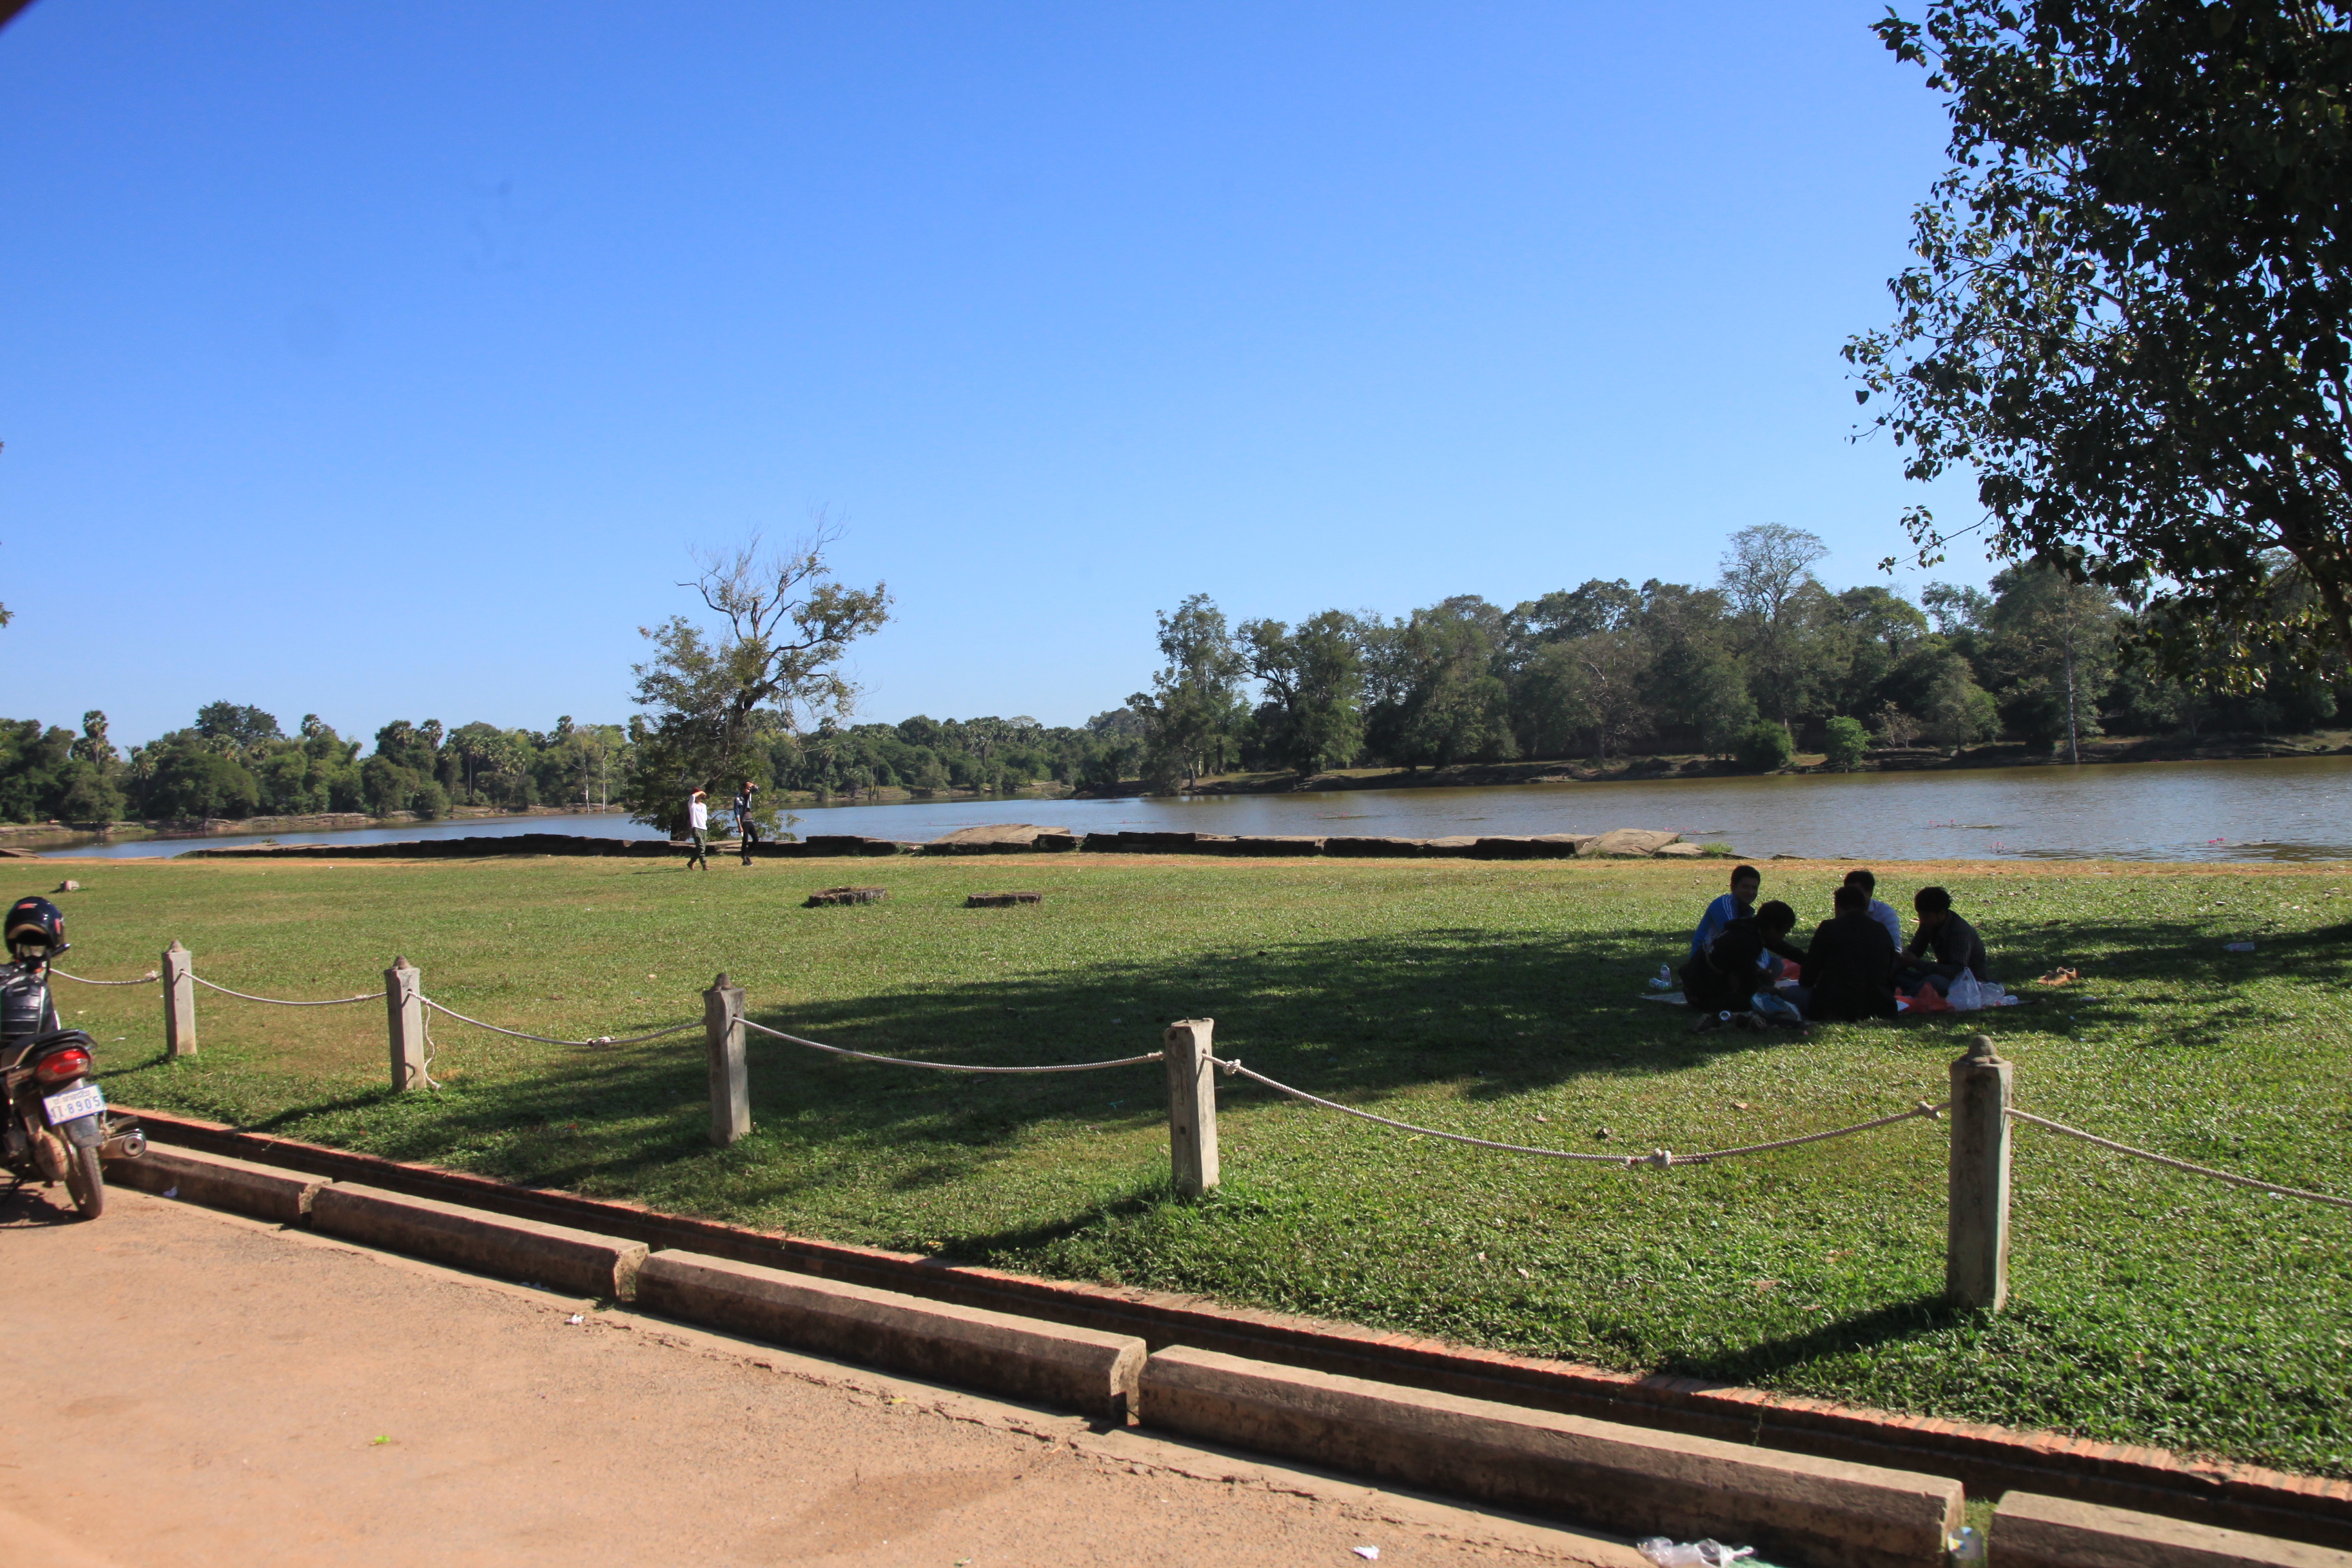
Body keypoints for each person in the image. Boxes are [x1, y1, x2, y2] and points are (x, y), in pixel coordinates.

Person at [1682, 899, 1804, 1025]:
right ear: (1772, 928)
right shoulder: (1746, 940)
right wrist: (1774, 990)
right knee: (1766, 1002)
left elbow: (1786, 950)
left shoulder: (1749, 928)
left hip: (1696, 987)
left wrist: (1811, 962)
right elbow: (1749, 988)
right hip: (1702, 996)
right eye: (1784, 932)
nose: (1783, 937)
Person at [1793, 883, 1900, 1022]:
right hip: (1880, 1006)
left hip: (1836, 1007)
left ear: (1838, 908)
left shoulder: (1828, 928)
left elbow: (1807, 978)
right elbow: (1888, 972)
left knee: (1793, 994)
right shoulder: (1881, 930)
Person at [1902, 885, 1993, 995]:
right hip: (1944, 977)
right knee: (1900, 976)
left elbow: (1957, 971)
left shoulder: (1959, 932)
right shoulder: (1929, 924)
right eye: (1920, 916)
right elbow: (1915, 950)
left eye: (1926, 916)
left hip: (1969, 983)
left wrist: (1917, 963)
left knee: (1933, 981)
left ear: (1941, 913)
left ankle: (1903, 999)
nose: (1922, 920)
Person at [1688, 865, 1762, 962]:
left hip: (1724, 957)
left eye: (1754, 888)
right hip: (1704, 962)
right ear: (1733, 887)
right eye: (1745, 887)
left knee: (1775, 964)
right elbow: (1735, 938)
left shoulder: (1747, 911)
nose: (1750, 892)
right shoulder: (1722, 905)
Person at [1842, 868, 1903, 950]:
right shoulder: (1842, 911)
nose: (1853, 897)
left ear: (1869, 892)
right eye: (1849, 894)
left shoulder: (1886, 913)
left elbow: (1895, 949)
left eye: (1858, 894)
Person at [734, 779, 762, 866]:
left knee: (756, 839)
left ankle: (748, 854)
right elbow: (737, 813)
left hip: (750, 820)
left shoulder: (749, 795)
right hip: (744, 821)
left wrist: (752, 785)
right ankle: (744, 858)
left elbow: (757, 790)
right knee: (745, 840)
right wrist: (739, 826)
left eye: (749, 789)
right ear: (742, 788)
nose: (748, 791)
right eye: (747, 789)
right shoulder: (738, 799)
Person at [686, 787, 710, 871]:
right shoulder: (692, 805)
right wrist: (701, 792)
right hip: (696, 827)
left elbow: (705, 818)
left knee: (702, 848)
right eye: (698, 795)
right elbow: (692, 796)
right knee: (700, 847)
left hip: (703, 828)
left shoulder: (704, 806)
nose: (699, 797)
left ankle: (691, 862)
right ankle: (704, 865)